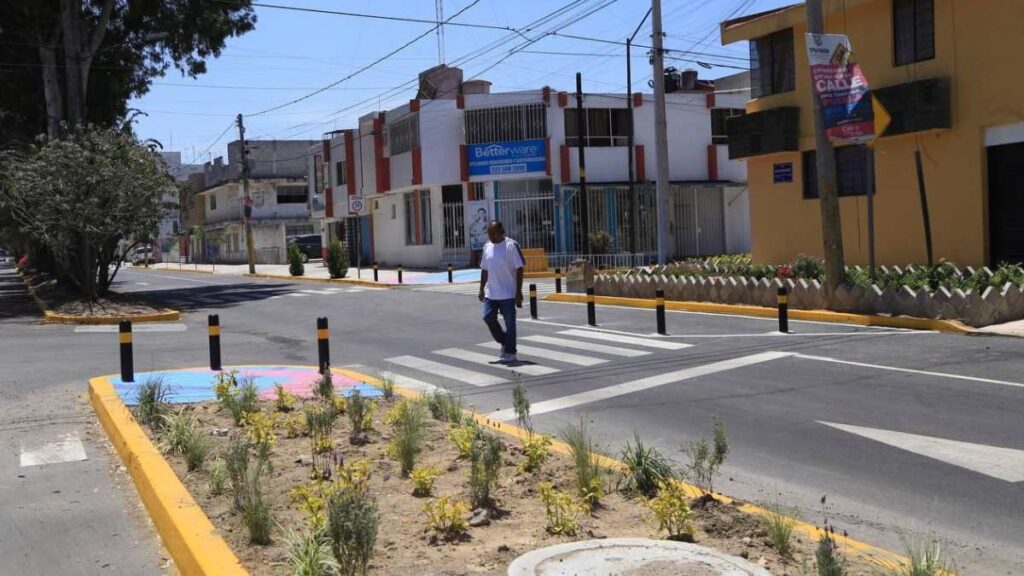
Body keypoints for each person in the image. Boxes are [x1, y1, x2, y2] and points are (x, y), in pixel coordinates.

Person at [478, 220, 524, 363]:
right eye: (489, 233)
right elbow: (484, 269)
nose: (490, 236)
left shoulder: (511, 246)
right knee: (487, 317)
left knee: (510, 324)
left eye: (493, 233)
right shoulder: (487, 246)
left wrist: (518, 292)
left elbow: (520, 268)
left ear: (501, 231)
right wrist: (481, 289)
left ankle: (511, 352)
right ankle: (505, 341)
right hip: (491, 293)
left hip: (508, 294)